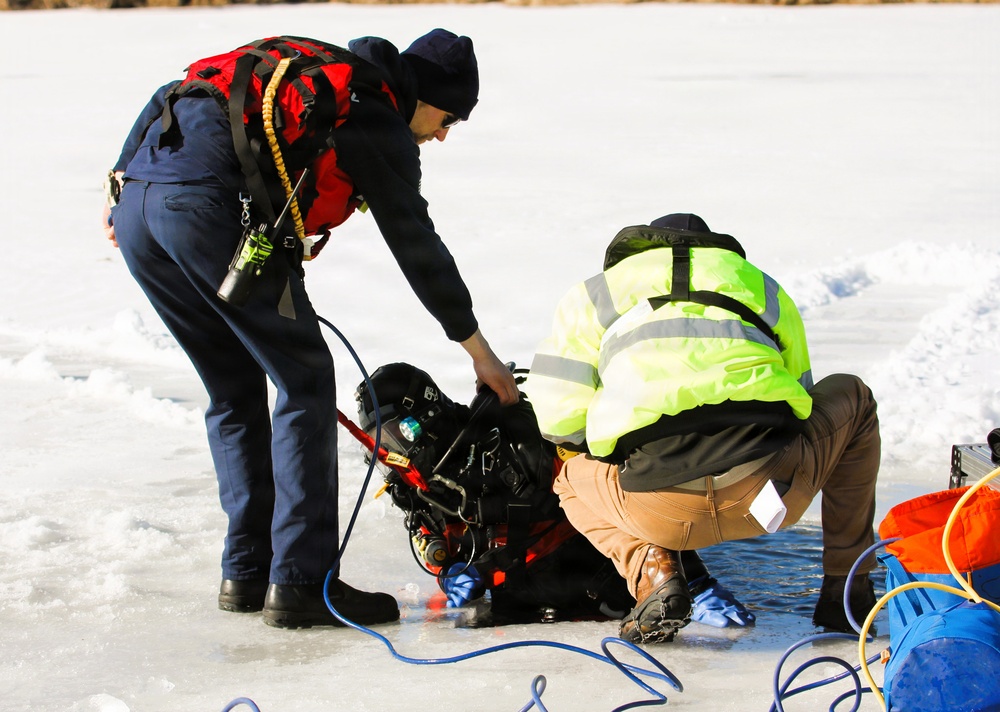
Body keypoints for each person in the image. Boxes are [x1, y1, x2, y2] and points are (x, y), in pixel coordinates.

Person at [103, 30, 519, 630]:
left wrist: (121, 181)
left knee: (233, 386)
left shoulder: (315, 70)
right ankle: (301, 581)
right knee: (305, 380)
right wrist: (479, 350)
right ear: (422, 93)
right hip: (206, 212)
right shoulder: (372, 112)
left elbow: (175, 90)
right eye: (448, 115)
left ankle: (246, 572)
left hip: (142, 207)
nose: (445, 133)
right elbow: (415, 242)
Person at [525, 213, 881, 643]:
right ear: (714, 251)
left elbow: (558, 420)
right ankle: (848, 589)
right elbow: (802, 401)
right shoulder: (760, 285)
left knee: (568, 479)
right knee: (854, 396)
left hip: (658, 510)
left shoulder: (594, 294)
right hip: (772, 494)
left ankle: (651, 567)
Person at [354, 361, 754, 629]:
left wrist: (695, 580)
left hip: (598, 574)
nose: (394, 454)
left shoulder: (515, 437)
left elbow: (625, 495)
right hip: (522, 602)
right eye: (377, 444)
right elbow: (438, 545)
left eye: (396, 436)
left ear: (426, 415)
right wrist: (454, 570)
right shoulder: (414, 485)